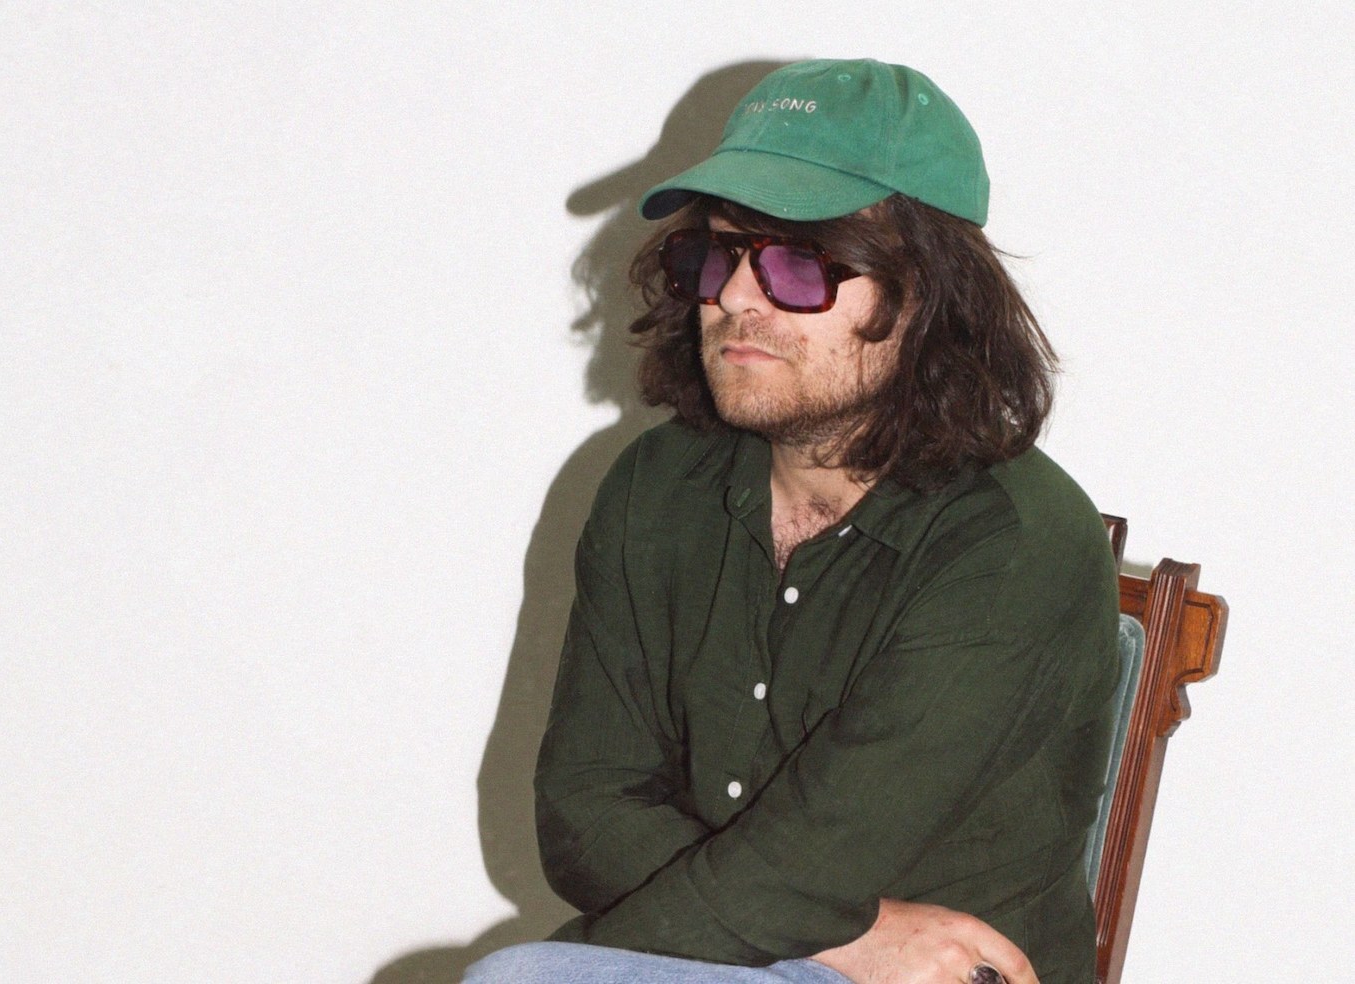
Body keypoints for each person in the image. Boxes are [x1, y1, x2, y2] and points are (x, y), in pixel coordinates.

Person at [466, 59, 1119, 984]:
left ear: (928, 297)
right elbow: (582, 812)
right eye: (716, 254)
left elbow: (818, 861)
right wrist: (848, 933)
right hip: (753, 954)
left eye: (797, 264)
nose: (736, 295)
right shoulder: (657, 488)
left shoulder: (1013, 542)